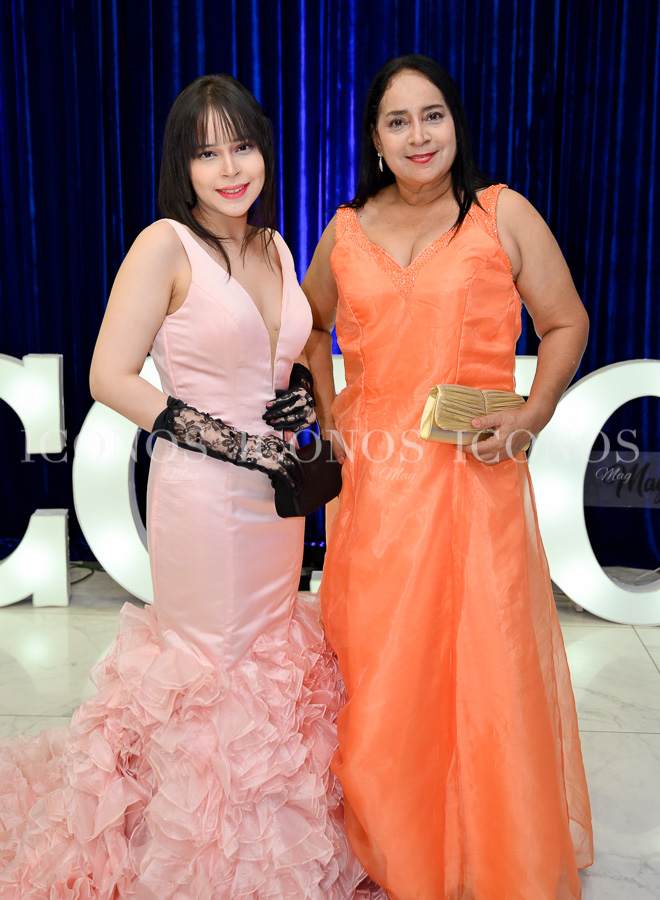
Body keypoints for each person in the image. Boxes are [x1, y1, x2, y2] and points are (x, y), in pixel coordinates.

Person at [0, 74, 379, 899]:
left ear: (264, 151)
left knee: (270, 654)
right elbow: (108, 375)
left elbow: (282, 355)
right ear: (183, 165)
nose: (230, 168)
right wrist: (234, 442)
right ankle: (197, 857)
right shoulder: (164, 246)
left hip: (277, 500)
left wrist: (296, 396)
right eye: (208, 153)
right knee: (212, 665)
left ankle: (273, 846)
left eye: (242, 146)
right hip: (202, 498)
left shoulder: (275, 246)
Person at [302, 54, 594, 900]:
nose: (418, 135)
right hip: (377, 494)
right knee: (386, 673)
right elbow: (311, 326)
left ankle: (487, 848)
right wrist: (328, 415)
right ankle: (396, 849)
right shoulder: (345, 229)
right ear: (374, 138)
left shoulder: (501, 214)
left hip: (474, 480)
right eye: (398, 121)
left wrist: (532, 413)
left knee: (483, 671)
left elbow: (566, 320)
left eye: (433, 115)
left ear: (456, 123)